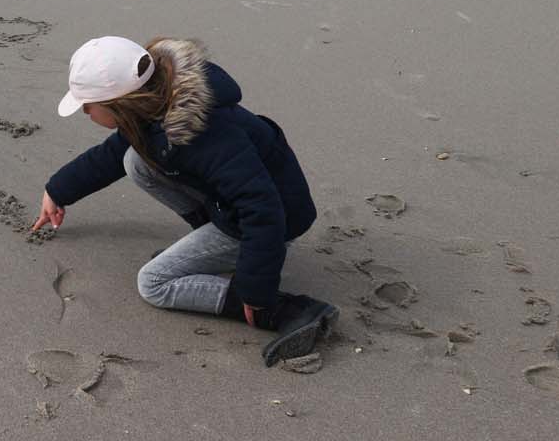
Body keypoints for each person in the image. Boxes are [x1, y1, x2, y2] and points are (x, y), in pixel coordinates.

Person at [31, 35, 338, 366]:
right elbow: (109, 156)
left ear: (119, 102)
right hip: (239, 207)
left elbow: (261, 208)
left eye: (88, 105)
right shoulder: (157, 105)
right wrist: (58, 190)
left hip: (274, 218)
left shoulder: (202, 132)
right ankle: (212, 247)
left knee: (153, 283)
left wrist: (256, 293)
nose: (86, 112)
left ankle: (291, 310)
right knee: (135, 161)